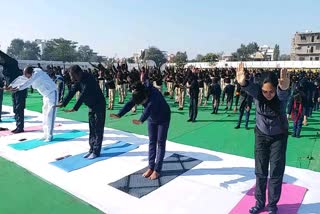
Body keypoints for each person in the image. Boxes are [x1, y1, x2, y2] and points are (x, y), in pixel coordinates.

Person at [236, 62, 290, 214]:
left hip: (278, 137)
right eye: (265, 92)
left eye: (271, 91)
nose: (268, 95)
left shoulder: (280, 97)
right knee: (260, 172)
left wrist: (283, 88)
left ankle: (272, 205)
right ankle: (260, 202)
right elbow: (249, 88)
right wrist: (243, 82)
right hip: (261, 135)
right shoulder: (258, 93)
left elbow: (283, 94)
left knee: (276, 172)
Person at [110, 81, 171, 180]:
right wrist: (119, 114)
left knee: (160, 143)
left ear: (145, 96)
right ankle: (151, 167)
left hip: (163, 118)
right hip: (152, 118)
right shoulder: (139, 93)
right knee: (152, 142)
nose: (143, 104)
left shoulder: (154, 95)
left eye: (142, 102)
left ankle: (157, 170)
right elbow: (130, 103)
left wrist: (141, 120)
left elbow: (148, 109)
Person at [55, 65, 106, 159]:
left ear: (79, 73)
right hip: (91, 106)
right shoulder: (78, 80)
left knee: (98, 128)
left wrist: (75, 108)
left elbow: (83, 94)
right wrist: (63, 103)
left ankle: (96, 151)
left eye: (72, 75)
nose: (71, 78)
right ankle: (91, 149)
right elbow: (72, 91)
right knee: (92, 128)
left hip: (99, 105)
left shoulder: (89, 79)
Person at [12, 67, 58, 141]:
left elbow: (29, 82)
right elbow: (22, 80)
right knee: (45, 114)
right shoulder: (31, 76)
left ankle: (50, 135)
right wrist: (12, 86)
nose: (26, 77)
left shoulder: (37, 73)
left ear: (30, 73)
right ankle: (45, 134)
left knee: (50, 115)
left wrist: (18, 88)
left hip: (52, 93)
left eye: (26, 75)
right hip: (45, 96)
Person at [0, 50, 27, 133]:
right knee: (16, 108)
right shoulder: (7, 66)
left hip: (20, 90)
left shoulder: (12, 63)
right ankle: (18, 125)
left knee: (19, 108)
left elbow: (5, 57)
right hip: (14, 90)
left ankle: (20, 127)